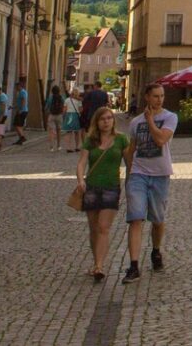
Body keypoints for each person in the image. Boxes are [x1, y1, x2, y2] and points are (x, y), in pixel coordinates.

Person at [123, 83, 177, 283]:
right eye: (155, 96)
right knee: (135, 218)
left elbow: (161, 140)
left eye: (162, 96)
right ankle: (134, 265)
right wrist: (129, 174)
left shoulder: (170, 117)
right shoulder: (135, 122)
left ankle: (155, 250)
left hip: (160, 174)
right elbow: (132, 149)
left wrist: (150, 121)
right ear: (147, 97)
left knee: (157, 219)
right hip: (139, 173)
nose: (159, 100)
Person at [78, 106, 130, 282]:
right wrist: (80, 180)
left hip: (111, 188)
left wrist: (130, 183)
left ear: (113, 120)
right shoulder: (90, 140)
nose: (106, 122)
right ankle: (96, 262)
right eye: (102, 119)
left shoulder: (121, 139)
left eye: (109, 118)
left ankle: (100, 266)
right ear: (97, 122)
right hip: (91, 187)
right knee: (93, 228)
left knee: (103, 227)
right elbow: (82, 162)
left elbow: (129, 163)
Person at [46, 84, 68, 152]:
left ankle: (51, 147)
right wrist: (63, 114)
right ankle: (58, 146)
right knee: (59, 131)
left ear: (52, 91)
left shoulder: (50, 98)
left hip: (51, 115)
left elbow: (46, 107)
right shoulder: (62, 98)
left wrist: (48, 113)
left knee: (51, 131)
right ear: (59, 91)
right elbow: (64, 107)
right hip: (59, 115)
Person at [11, 78, 30, 146]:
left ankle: (22, 137)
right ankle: (20, 139)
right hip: (23, 110)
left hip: (22, 111)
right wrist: (13, 107)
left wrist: (21, 110)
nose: (15, 88)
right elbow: (19, 103)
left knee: (17, 125)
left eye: (16, 87)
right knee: (19, 125)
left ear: (19, 86)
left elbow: (23, 101)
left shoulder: (22, 92)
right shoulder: (21, 92)